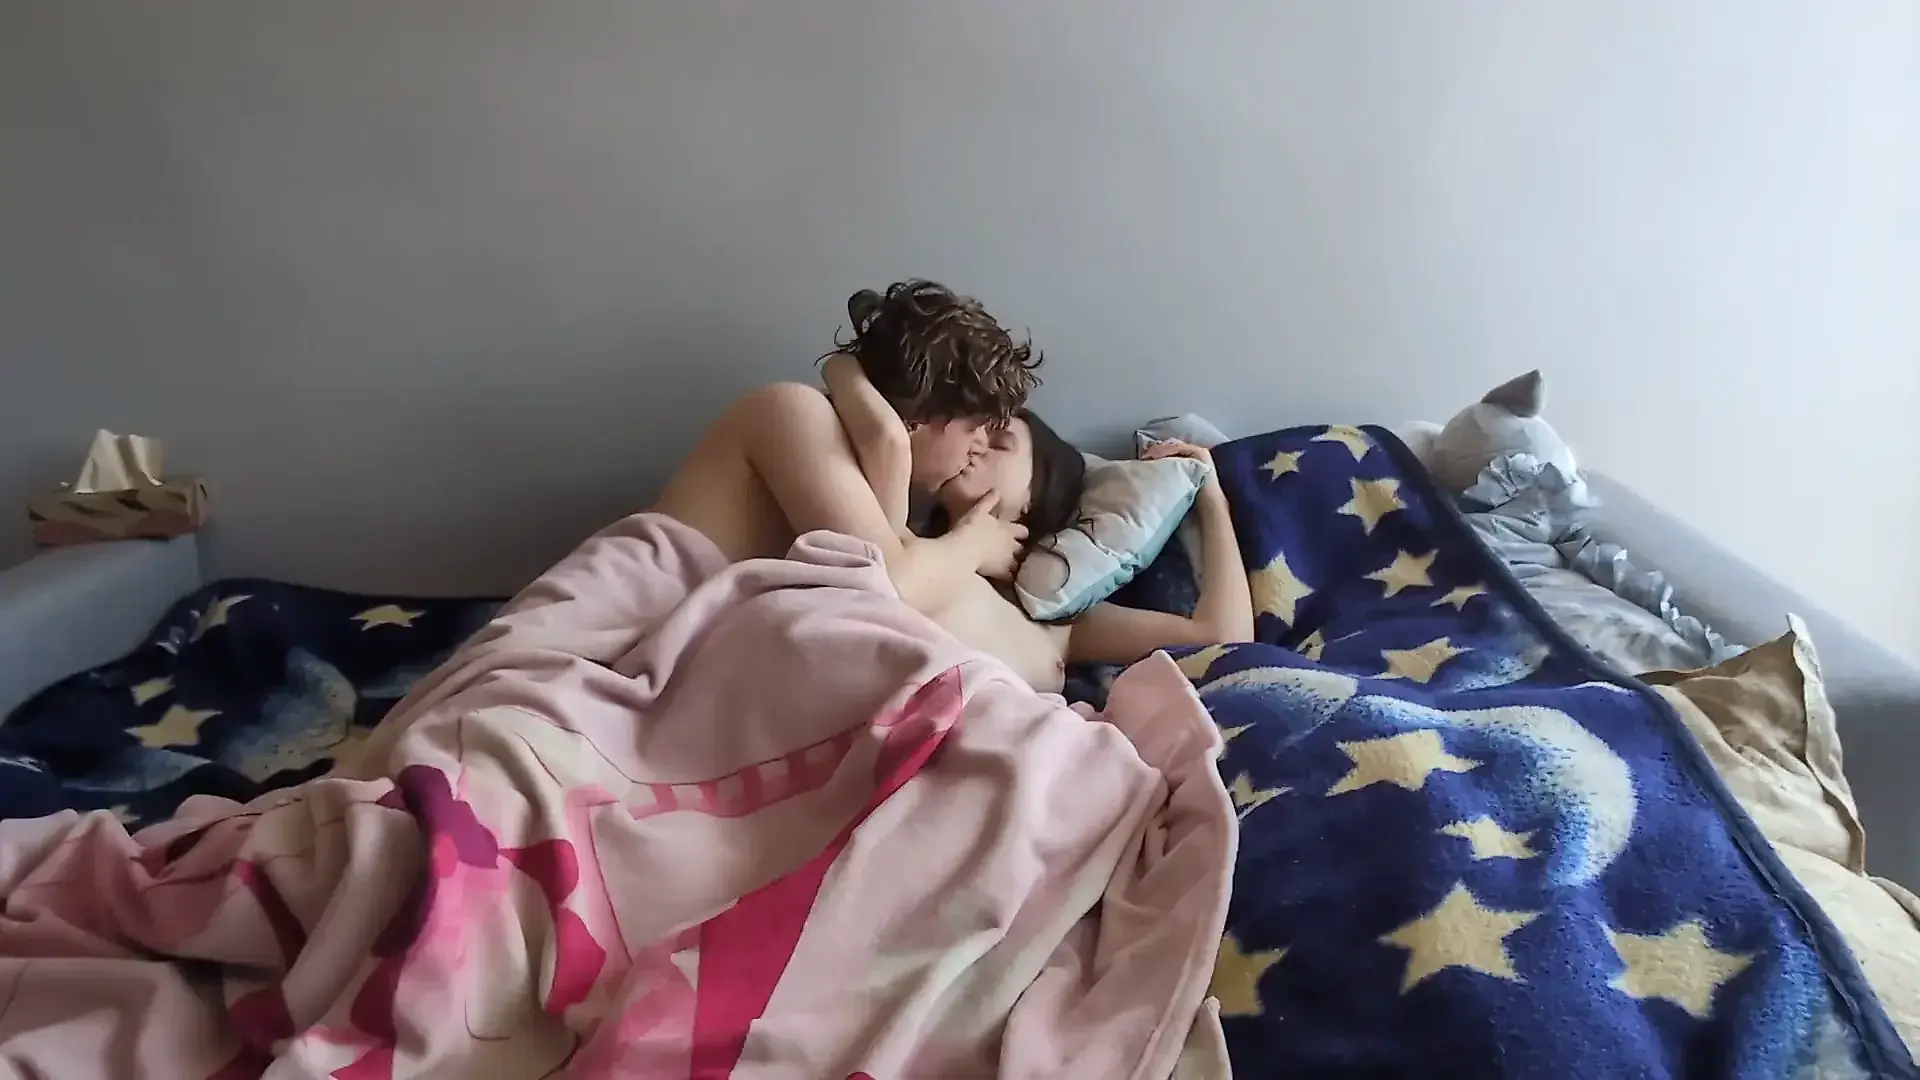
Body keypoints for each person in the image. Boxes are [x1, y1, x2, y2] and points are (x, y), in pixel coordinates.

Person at [821, 355, 1257, 692]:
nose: (976, 446)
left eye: (1000, 443)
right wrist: (840, 365)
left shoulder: (1057, 616)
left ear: (1035, 492)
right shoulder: (897, 537)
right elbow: (879, 437)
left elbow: (1222, 637)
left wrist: (1211, 497)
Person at [652, 280, 1038, 622]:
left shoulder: (862, 477)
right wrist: (976, 542)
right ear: (923, 417)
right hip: (630, 612)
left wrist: (848, 378)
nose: (978, 446)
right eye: (976, 427)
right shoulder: (797, 413)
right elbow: (890, 590)